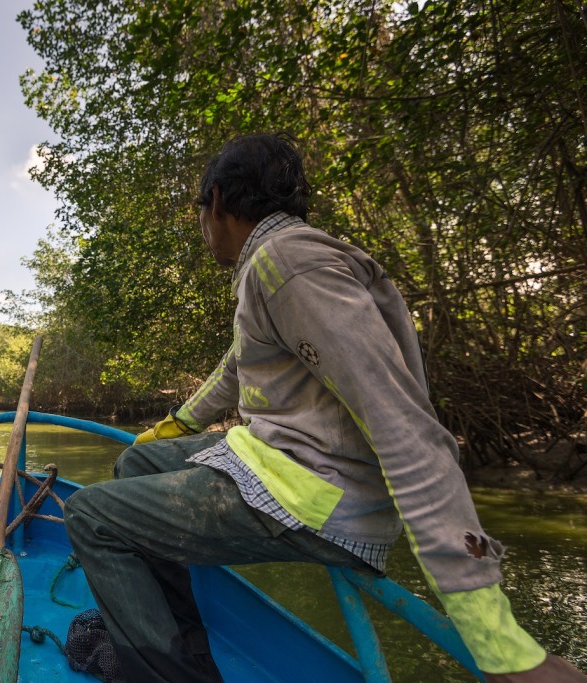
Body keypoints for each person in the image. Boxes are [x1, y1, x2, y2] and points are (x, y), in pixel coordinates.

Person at [63, 133, 587, 683]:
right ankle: (180, 651)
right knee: (136, 463)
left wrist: (497, 642)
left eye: (200, 213)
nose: (201, 230)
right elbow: (237, 366)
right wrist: (173, 427)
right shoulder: (275, 262)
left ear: (216, 201)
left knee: (91, 516)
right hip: (284, 464)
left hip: (321, 499)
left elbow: (404, 428)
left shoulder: (288, 266)